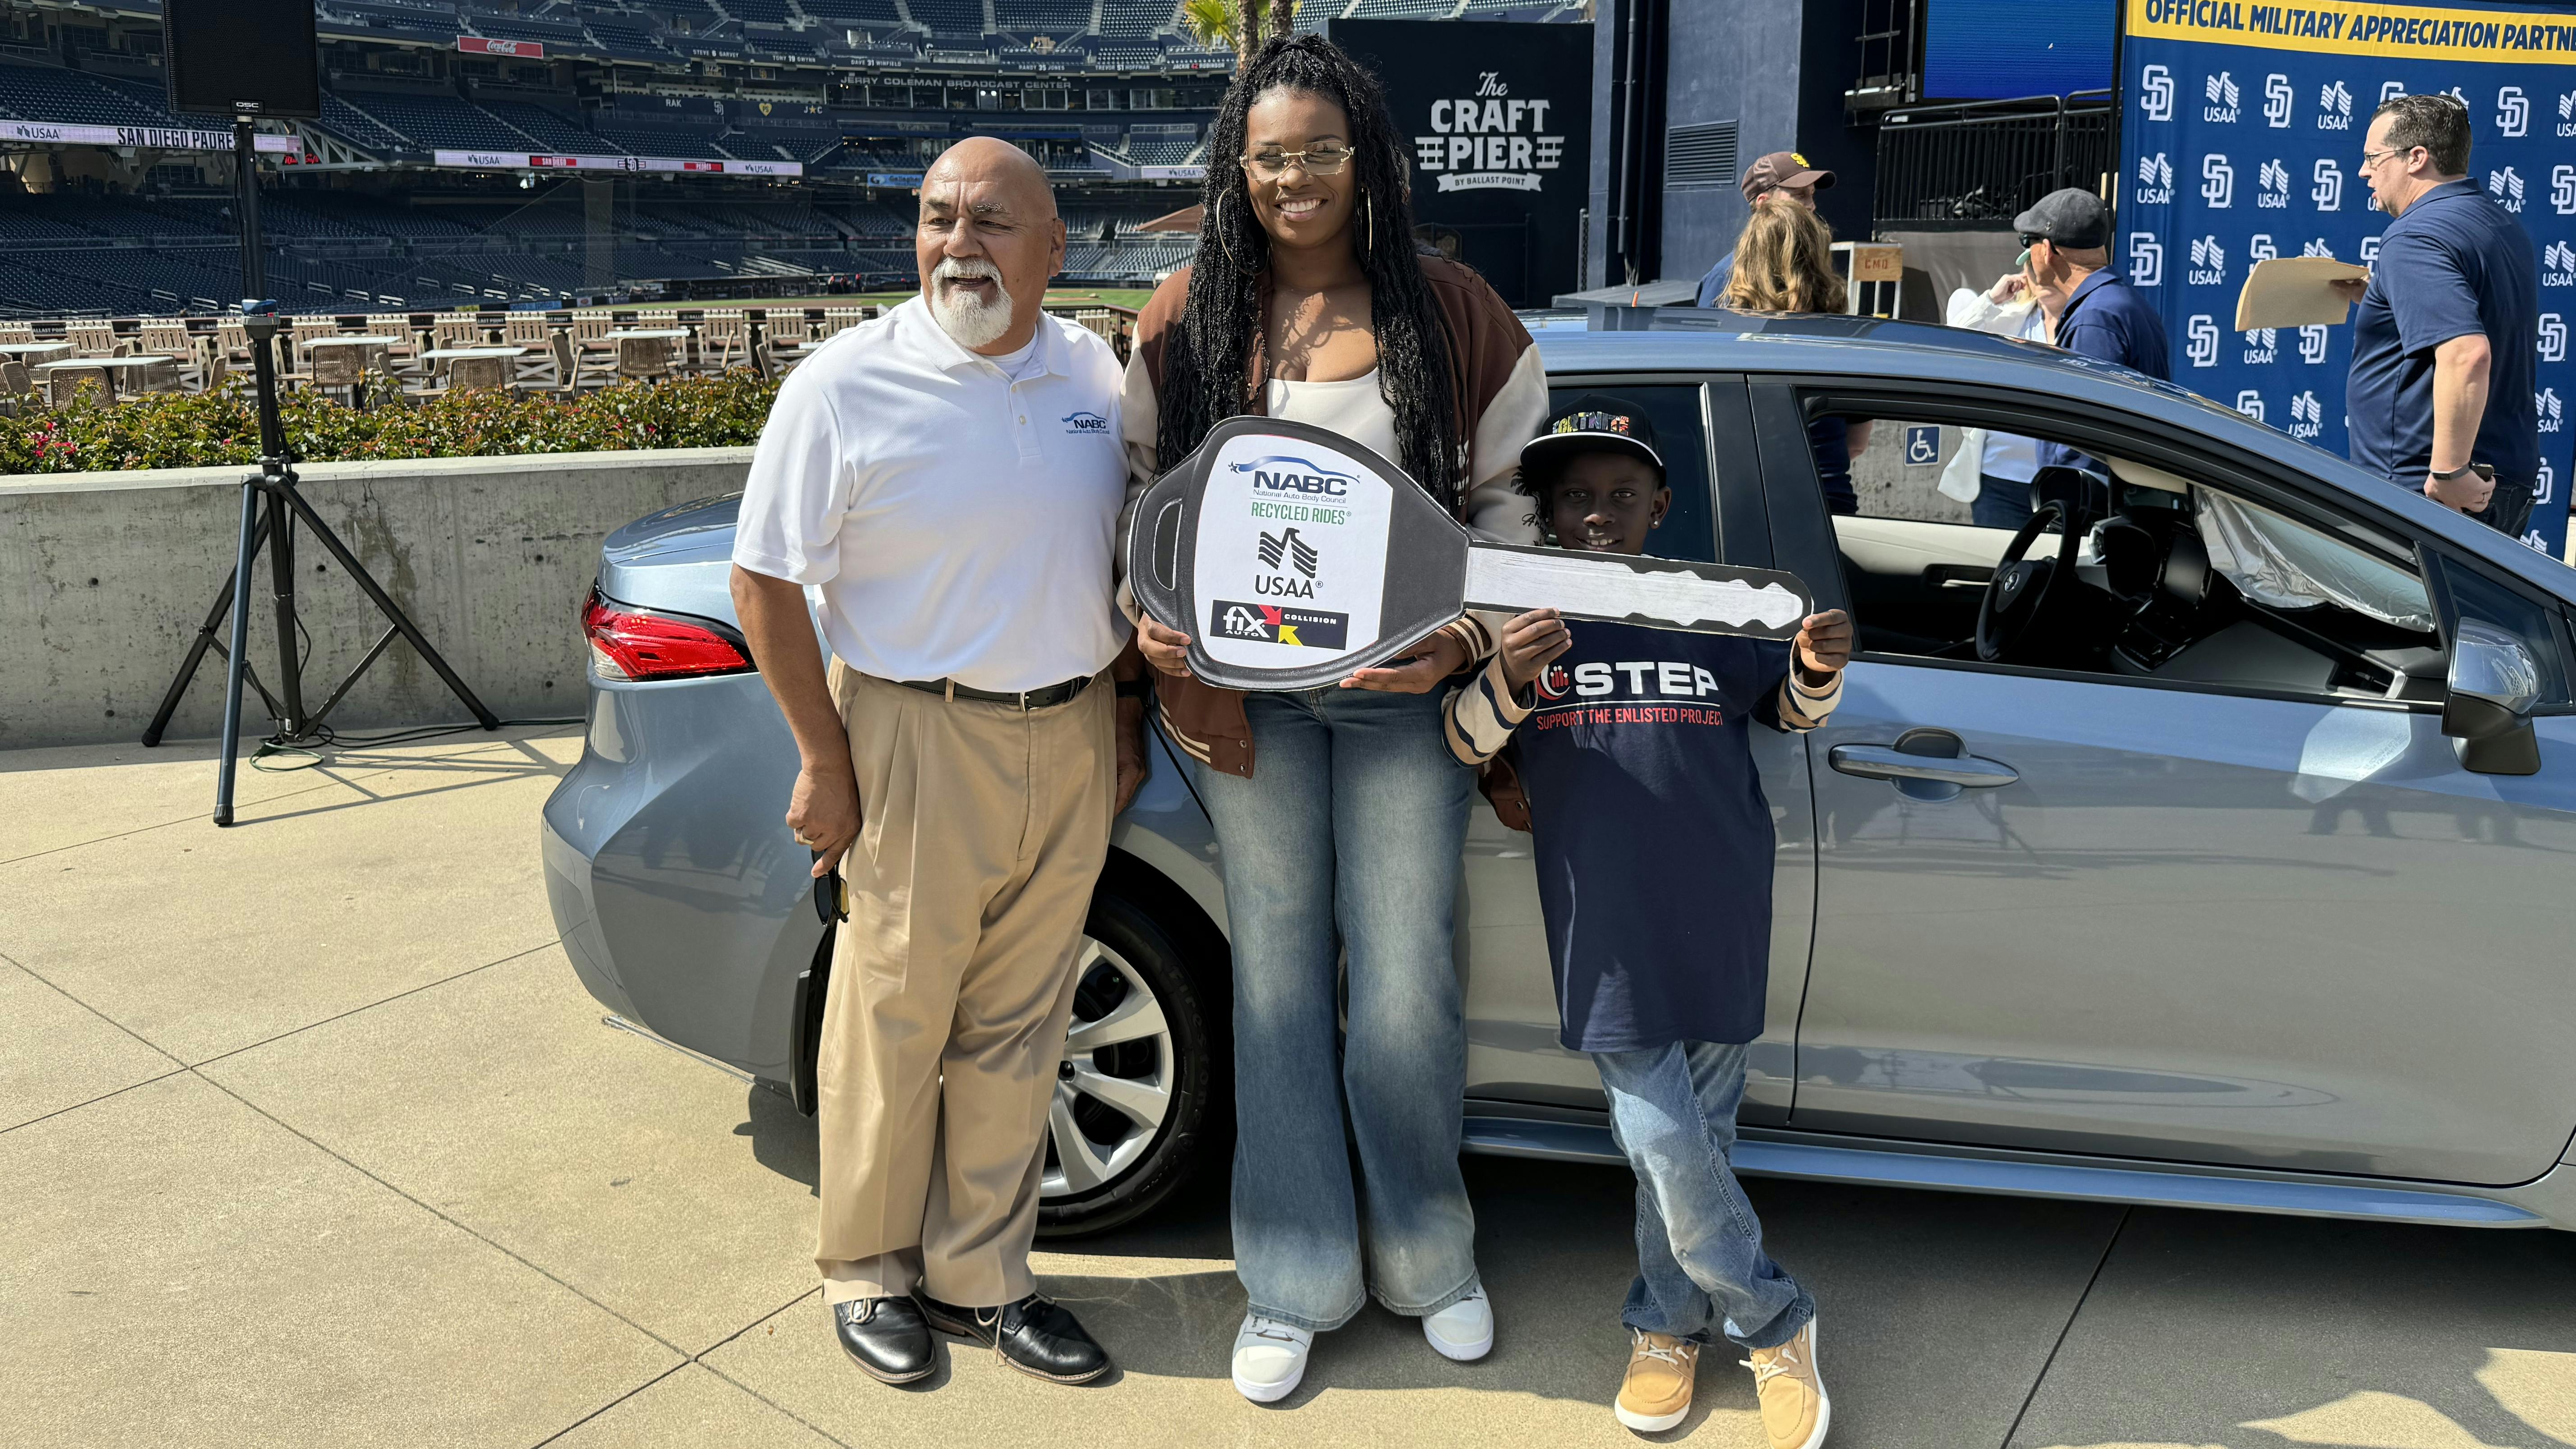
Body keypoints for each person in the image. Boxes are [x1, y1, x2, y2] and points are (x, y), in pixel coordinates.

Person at [1119, 32, 1550, 1404]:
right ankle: (1294, 1275)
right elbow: (1136, 506)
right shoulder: (1183, 316)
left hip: (1398, 708)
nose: (1292, 178)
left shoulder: (1454, 312)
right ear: (1235, 171)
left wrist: (1459, 638)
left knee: (1409, 985)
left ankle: (1429, 1258)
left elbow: (1512, 517)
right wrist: (1144, 612)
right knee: (1278, 984)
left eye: (1317, 151)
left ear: (1361, 156)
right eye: (1268, 157)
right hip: (1238, 714)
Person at [727, 136, 1145, 1389]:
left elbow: (1110, 552)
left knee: (1021, 1023)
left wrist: (1119, 716)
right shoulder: (847, 382)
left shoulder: (1091, 369)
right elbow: (763, 578)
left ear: (1055, 249)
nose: (958, 244)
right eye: (936, 218)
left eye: (993, 222)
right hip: (912, 727)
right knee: (893, 1017)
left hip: (1069, 728)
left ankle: (985, 1274)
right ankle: (867, 1267)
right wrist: (823, 754)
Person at [1442, 396, 1852, 1449]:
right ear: (1541, 510)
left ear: (1658, 506)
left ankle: (1666, 1323)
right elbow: (1463, 737)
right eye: (1573, 497)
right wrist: (1511, 678)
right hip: (1603, 925)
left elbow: (1792, 711)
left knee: (1697, 1139)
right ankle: (1774, 1318)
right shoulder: (1521, 621)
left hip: (1718, 903)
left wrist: (1816, 668)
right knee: (1666, 1140)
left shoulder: (1711, 607)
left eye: (1620, 496)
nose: (1595, 515)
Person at [2329, 92, 2541, 536]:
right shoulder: (2498, 223)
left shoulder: (2414, 237)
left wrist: (2447, 471)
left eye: (2373, 157)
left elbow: (2467, 353)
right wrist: (2383, 295)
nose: (2364, 171)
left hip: (2426, 491)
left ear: (2416, 158)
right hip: (2502, 481)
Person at [1725, 199, 1871, 513]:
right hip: (1826, 509)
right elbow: (1856, 443)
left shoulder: (1726, 343)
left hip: (1745, 511)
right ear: (1816, 260)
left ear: (1748, 261)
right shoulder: (1845, 344)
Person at [2015, 187, 2168, 475]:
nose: (2027, 252)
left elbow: (2086, 440)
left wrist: (2067, 506)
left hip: (2090, 504)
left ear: (2047, 251)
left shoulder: (2095, 319)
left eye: (2028, 241)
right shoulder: (2118, 301)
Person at [1941, 249, 2054, 528]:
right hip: (1998, 481)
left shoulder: (2084, 323)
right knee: (2001, 569)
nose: (2035, 277)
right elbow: (1952, 343)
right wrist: (1991, 299)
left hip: (2060, 482)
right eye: (2030, 269)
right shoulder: (2012, 318)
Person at [1696, 150, 1836, 307]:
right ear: (1764, 204)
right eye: (1800, 195)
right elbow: (1710, 331)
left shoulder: (1812, 267)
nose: (1812, 205)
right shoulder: (1726, 277)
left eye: (1812, 195)